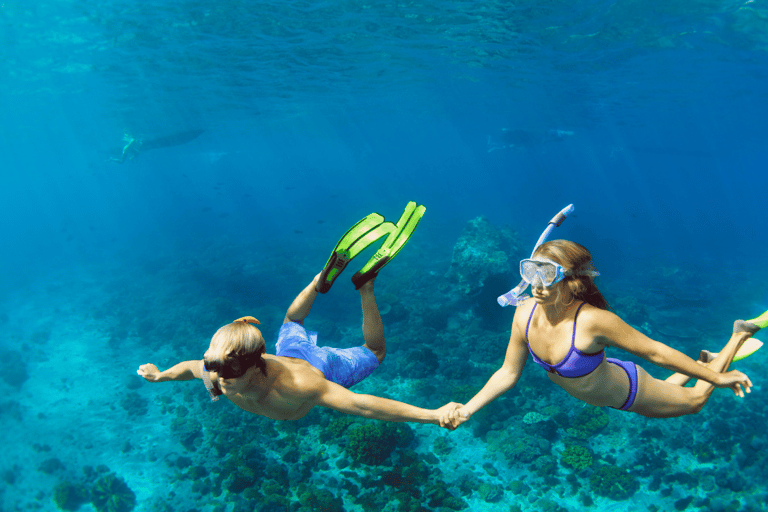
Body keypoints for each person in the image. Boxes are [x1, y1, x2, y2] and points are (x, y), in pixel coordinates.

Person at [138, 203, 459, 427]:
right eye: (213, 363)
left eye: (228, 367)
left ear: (255, 362)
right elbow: (190, 368)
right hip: (289, 353)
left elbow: (364, 405)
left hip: (317, 365)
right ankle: (321, 278)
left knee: (376, 351)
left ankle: (366, 286)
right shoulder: (218, 371)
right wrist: (160, 375)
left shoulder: (301, 387)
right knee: (292, 322)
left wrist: (432, 415)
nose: (218, 375)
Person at [442, 239, 757, 427]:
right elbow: (508, 372)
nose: (537, 282)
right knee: (671, 388)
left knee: (696, 401)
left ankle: (737, 335)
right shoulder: (523, 313)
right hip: (609, 385)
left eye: (548, 273)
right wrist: (468, 408)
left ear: (572, 280)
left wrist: (718, 380)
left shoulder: (594, 321)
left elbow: (654, 352)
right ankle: (703, 361)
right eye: (531, 269)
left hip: (629, 392)